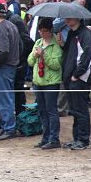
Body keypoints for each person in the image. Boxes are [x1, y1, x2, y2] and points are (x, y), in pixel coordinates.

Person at [59, 17, 91, 150]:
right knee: (74, 110)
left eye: (70, 18)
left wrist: (77, 74)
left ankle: (83, 139)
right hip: (69, 78)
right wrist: (62, 44)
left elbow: (86, 57)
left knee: (81, 109)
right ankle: (76, 138)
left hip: (79, 79)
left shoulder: (85, 34)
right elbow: (69, 54)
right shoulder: (73, 33)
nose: (67, 20)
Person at [27, 18, 63, 149]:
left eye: (46, 31)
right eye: (41, 31)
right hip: (38, 81)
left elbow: (56, 65)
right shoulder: (38, 42)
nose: (43, 34)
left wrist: (44, 55)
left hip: (51, 82)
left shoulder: (56, 45)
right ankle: (45, 137)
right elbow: (30, 61)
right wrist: (36, 55)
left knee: (51, 110)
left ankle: (54, 139)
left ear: (51, 31)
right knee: (42, 110)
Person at [0, 0, 21, 140]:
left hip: (4, 66)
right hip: (12, 65)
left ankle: (9, 128)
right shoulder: (12, 26)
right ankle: (7, 125)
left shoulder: (2, 27)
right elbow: (20, 46)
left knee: (4, 98)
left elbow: (3, 50)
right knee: (8, 97)